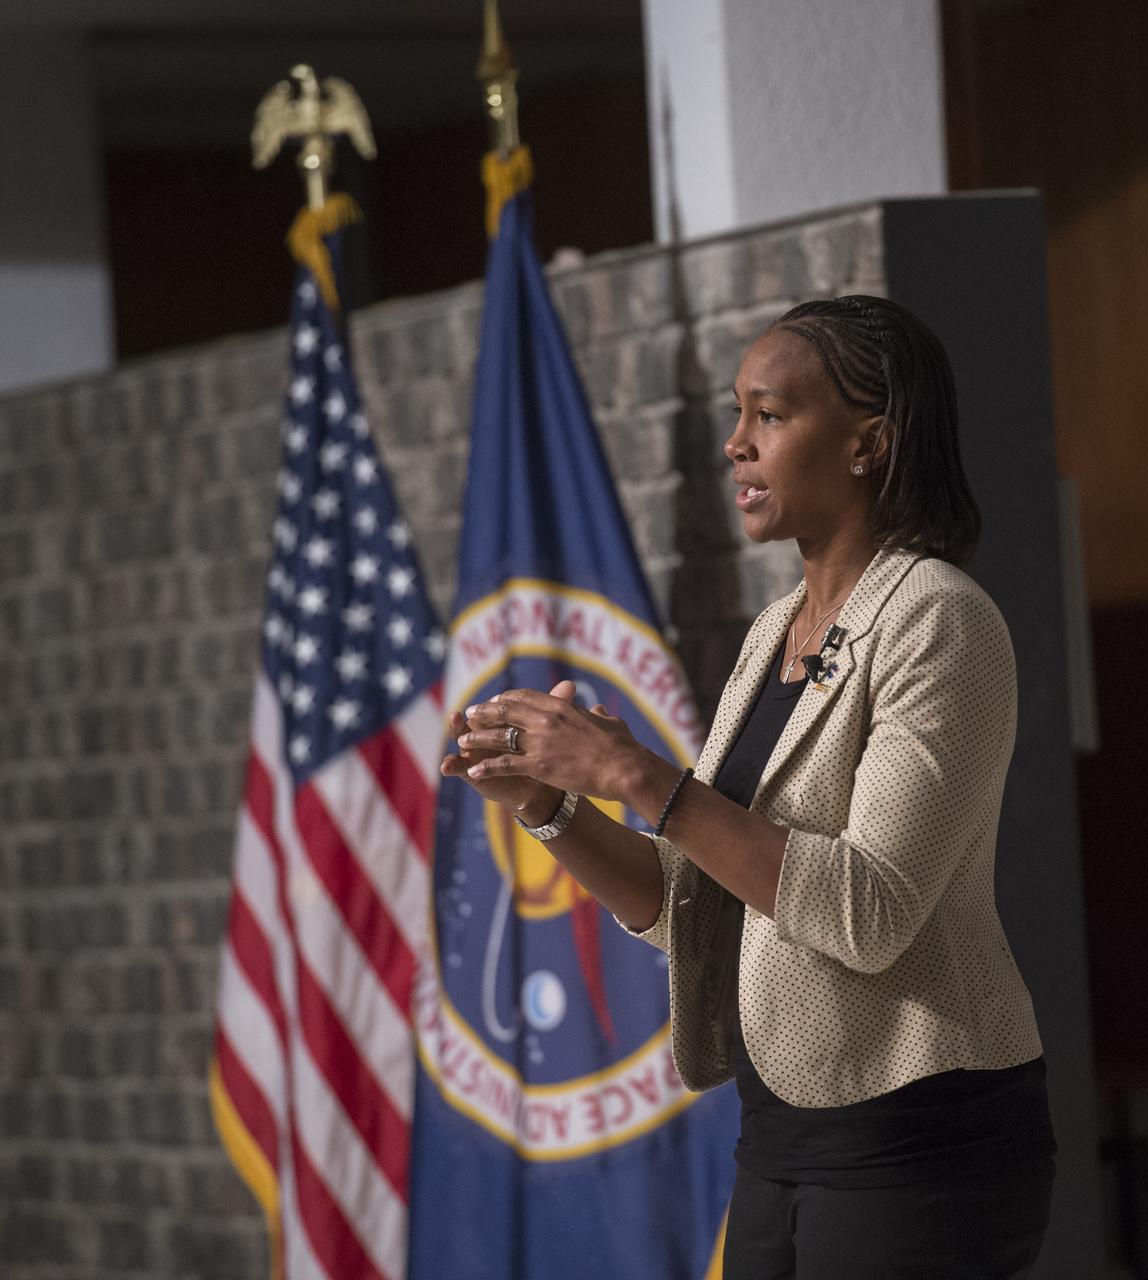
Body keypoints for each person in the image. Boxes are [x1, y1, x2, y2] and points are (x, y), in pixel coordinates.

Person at [441, 296, 1057, 1279]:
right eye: (738, 415)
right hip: (777, 1136)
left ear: (866, 442)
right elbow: (693, 900)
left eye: (767, 415)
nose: (734, 444)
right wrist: (551, 805)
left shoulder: (937, 619)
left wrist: (630, 770)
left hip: (914, 1139)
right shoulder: (775, 631)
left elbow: (867, 910)